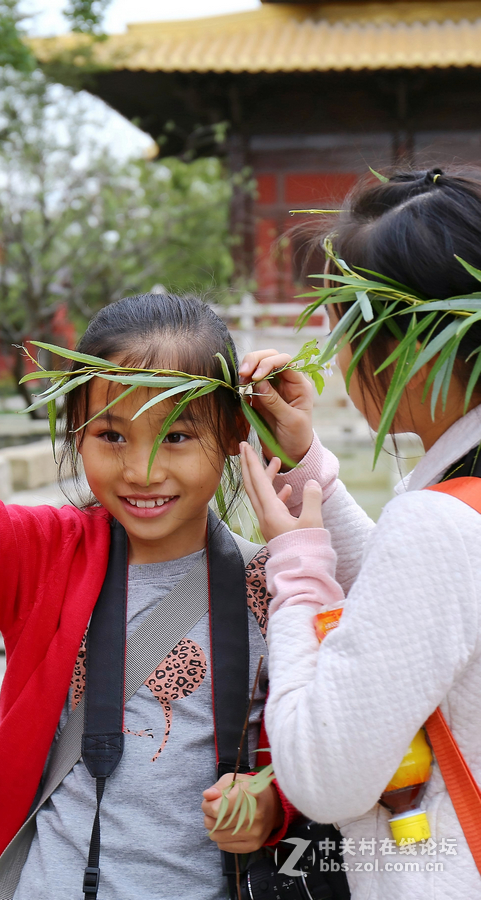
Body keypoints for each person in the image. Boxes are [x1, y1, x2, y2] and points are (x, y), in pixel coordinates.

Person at [0, 293, 299, 899]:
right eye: (111, 435)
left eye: (176, 436)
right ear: (76, 434)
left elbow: (325, 741)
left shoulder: (281, 583)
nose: (142, 471)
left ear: (233, 433)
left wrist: (273, 805)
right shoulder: (46, 557)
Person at [239, 167, 481, 899]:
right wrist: (307, 468)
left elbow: (322, 776)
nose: (337, 354)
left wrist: (295, 572)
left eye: (344, 325)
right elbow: (420, 606)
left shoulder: (438, 521)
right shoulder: (455, 504)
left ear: (406, 344)